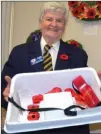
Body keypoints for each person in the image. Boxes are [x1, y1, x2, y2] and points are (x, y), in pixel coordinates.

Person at [1, 2, 100, 134]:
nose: (54, 24)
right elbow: (4, 89)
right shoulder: (19, 53)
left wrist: (95, 87)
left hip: (68, 128)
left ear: (64, 26)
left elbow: (84, 94)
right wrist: (7, 94)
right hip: (30, 127)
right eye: (49, 19)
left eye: (59, 20)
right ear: (40, 22)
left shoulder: (77, 55)